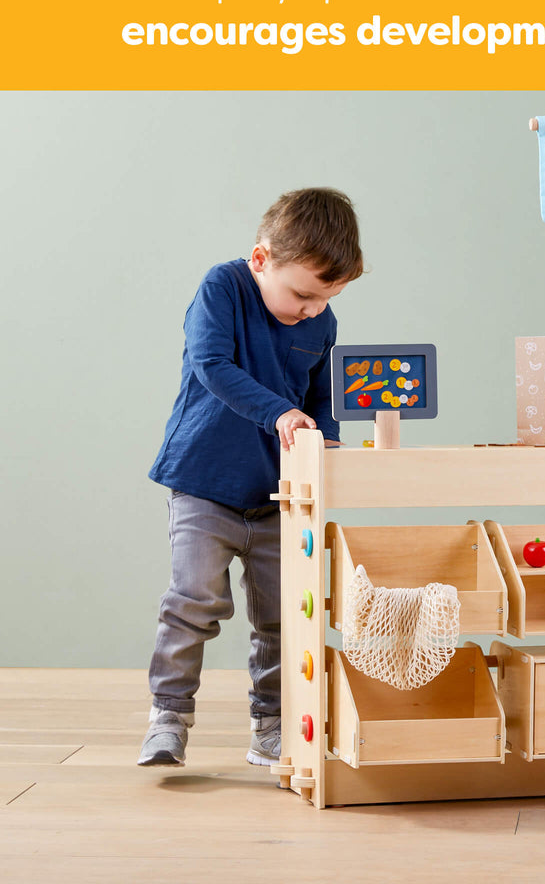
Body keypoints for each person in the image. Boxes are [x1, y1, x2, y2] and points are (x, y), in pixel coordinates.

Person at [138, 188, 364, 769]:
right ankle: (169, 717)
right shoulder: (224, 287)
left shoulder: (322, 320)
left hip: (276, 494)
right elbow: (211, 365)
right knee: (193, 600)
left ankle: (272, 724)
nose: (313, 310)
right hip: (204, 483)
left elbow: (323, 392)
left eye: (326, 298)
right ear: (261, 260)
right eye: (303, 295)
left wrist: (328, 442)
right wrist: (279, 413)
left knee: (284, 615)